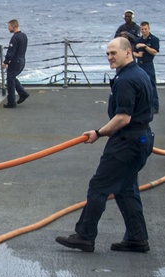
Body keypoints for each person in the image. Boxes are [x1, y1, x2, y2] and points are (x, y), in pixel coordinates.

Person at [56, 37, 155, 254]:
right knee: (126, 188)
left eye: (113, 53)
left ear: (128, 52)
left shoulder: (127, 79)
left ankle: (85, 236)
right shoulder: (140, 74)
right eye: (108, 53)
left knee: (99, 186)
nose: (110, 57)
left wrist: (98, 133)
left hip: (127, 142)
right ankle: (137, 238)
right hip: (141, 138)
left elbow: (123, 118)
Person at [2, 19, 30, 108]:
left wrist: (5, 62)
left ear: (13, 26)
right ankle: (23, 93)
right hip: (22, 60)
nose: (8, 28)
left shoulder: (15, 38)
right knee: (12, 77)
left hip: (15, 62)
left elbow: (11, 51)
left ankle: (11, 102)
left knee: (10, 81)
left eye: (9, 26)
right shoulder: (24, 36)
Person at [133, 21, 160, 113]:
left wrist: (145, 46)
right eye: (142, 29)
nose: (144, 31)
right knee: (139, 85)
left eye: (145, 29)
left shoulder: (154, 39)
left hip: (148, 64)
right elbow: (133, 52)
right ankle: (142, 106)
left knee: (151, 85)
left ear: (149, 29)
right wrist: (137, 55)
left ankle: (154, 106)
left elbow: (154, 52)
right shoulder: (138, 40)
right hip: (139, 64)